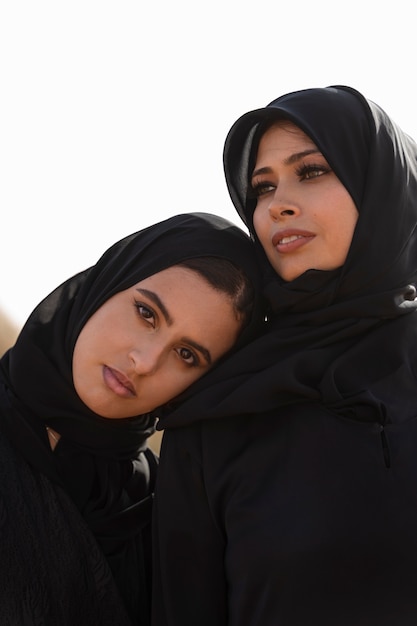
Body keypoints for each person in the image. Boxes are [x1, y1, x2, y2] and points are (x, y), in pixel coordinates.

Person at [151, 87, 417, 626]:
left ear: (382, 184)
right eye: (262, 187)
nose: (278, 204)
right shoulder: (216, 414)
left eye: (312, 170)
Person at [0, 211, 263, 626]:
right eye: (146, 313)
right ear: (107, 284)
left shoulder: (164, 515)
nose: (144, 361)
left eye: (186, 355)